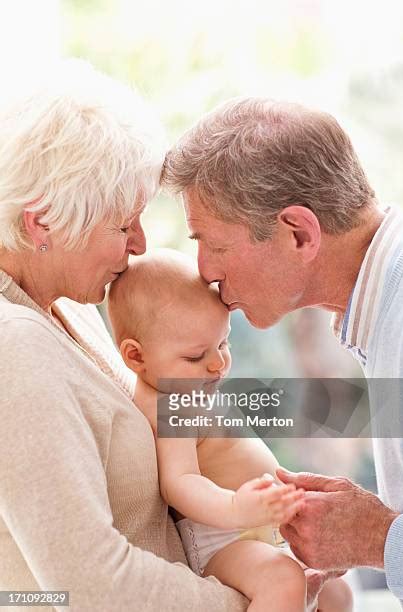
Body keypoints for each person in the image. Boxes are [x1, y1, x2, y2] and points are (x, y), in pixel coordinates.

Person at [0, 60, 250, 612]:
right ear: (43, 224)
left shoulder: (68, 306)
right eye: (121, 225)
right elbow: (93, 585)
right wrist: (252, 598)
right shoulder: (13, 347)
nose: (139, 244)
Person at [161, 97, 403, 610]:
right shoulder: (381, 309)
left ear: (298, 233)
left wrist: (380, 540)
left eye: (214, 244)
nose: (204, 270)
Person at [108, 247, 353, 612]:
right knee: (285, 582)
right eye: (196, 356)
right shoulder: (170, 403)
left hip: (260, 528)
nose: (218, 363)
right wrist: (238, 507)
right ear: (136, 356)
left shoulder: (185, 386)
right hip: (222, 537)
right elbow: (179, 482)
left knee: (338, 593)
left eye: (223, 343)